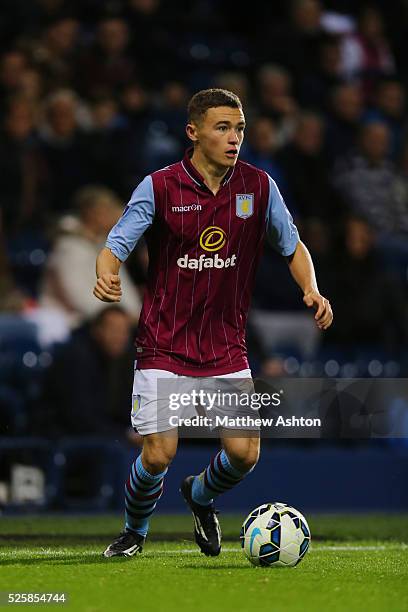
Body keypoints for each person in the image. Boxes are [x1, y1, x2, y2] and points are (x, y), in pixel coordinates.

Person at [93, 89, 333, 558]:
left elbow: (293, 246)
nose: (233, 138)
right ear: (194, 132)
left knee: (245, 454)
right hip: (164, 341)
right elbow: (117, 240)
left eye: (239, 128)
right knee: (159, 453)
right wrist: (106, 270)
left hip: (225, 345)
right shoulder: (160, 186)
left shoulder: (259, 187)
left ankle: (199, 496)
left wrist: (312, 288)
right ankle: (134, 531)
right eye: (222, 127)